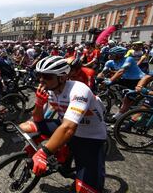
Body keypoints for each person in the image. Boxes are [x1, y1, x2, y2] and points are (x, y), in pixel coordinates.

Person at [19, 56, 106, 193]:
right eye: (39, 75)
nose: (41, 80)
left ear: (62, 77)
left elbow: (69, 128)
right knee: (26, 127)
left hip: (90, 136)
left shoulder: (79, 90)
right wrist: (39, 103)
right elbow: (38, 119)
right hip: (66, 124)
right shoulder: (51, 90)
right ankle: (62, 153)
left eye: (47, 76)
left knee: (86, 190)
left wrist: (44, 152)